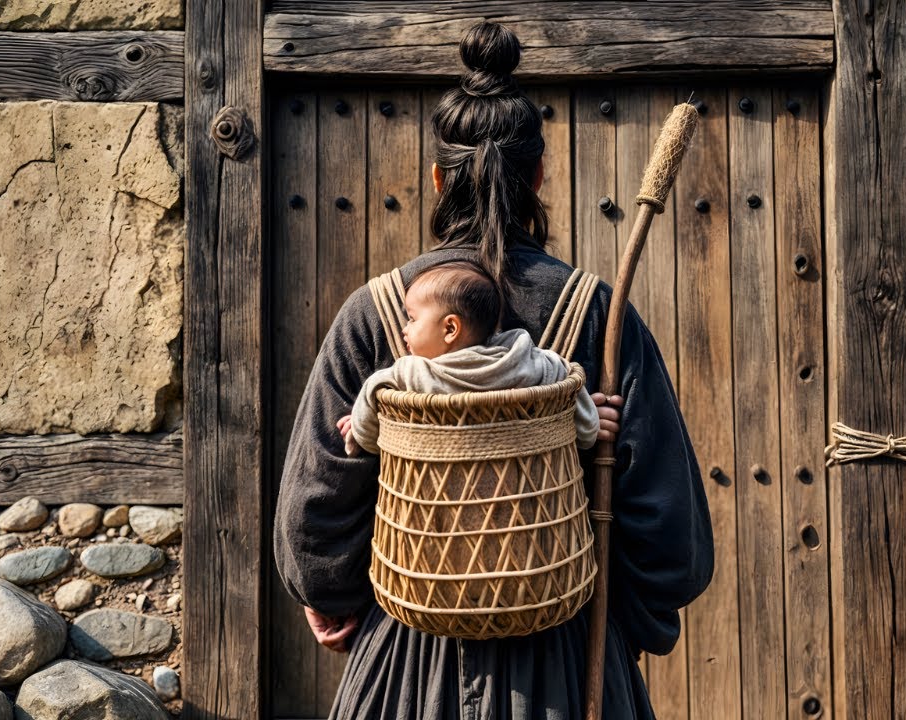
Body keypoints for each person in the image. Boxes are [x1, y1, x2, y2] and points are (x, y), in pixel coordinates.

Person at [273, 20, 714, 719]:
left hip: (404, 665)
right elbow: (670, 533)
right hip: (567, 664)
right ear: (538, 175)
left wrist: (330, 598)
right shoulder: (595, 314)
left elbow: (312, 514)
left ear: (438, 178)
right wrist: (624, 625)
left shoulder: (377, 314)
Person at [338, 260, 599, 457]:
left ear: (450, 329)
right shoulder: (533, 364)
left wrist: (359, 429)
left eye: (412, 319)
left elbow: (371, 406)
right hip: (522, 492)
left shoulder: (411, 374)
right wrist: (590, 425)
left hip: (437, 498)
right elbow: (580, 410)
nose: (404, 328)